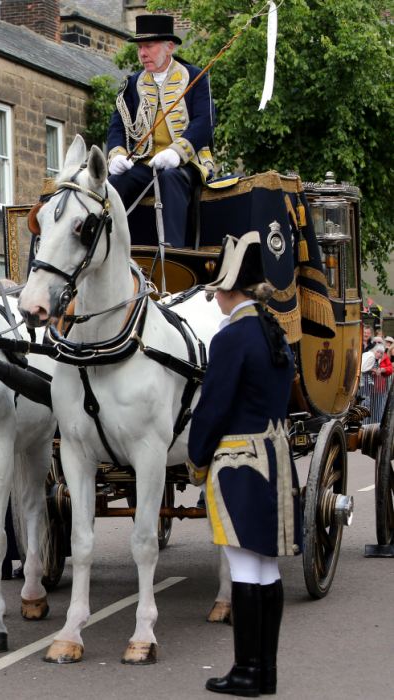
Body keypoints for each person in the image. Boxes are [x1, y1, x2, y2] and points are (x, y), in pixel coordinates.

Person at [189, 232, 300, 697]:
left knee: (242, 568)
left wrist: (196, 458)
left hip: (239, 461)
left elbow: (212, 407)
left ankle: (246, 671)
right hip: (274, 458)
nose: (213, 296)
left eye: (217, 288)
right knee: (265, 567)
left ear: (231, 289)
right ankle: (263, 671)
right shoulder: (273, 330)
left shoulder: (232, 336)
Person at [106, 14, 216, 248]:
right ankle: (110, 247)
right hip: (144, 162)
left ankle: (173, 251)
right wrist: (116, 154)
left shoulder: (195, 77)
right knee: (116, 182)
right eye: (140, 47)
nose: (142, 53)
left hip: (188, 163)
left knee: (170, 177)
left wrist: (177, 152)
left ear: (169, 47)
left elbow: (204, 123)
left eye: (149, 46)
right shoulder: (131, 84)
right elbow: (117, 125)